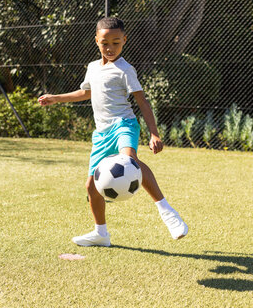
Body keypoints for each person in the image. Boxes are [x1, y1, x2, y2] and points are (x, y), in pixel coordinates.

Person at [38, 17, 188, 247]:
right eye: (105, 43)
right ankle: (101, 234)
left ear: (124, 41)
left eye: (116, 43)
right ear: (96, 40)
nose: (110, 48)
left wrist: (154, 133)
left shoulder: (126, 70)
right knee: (91, 186)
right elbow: (85, 93)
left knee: (130, 160)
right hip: (101, 133)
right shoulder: (92, 68)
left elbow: (142, 101)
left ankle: (167, 211)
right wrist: (55, 98)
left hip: (123, 124)